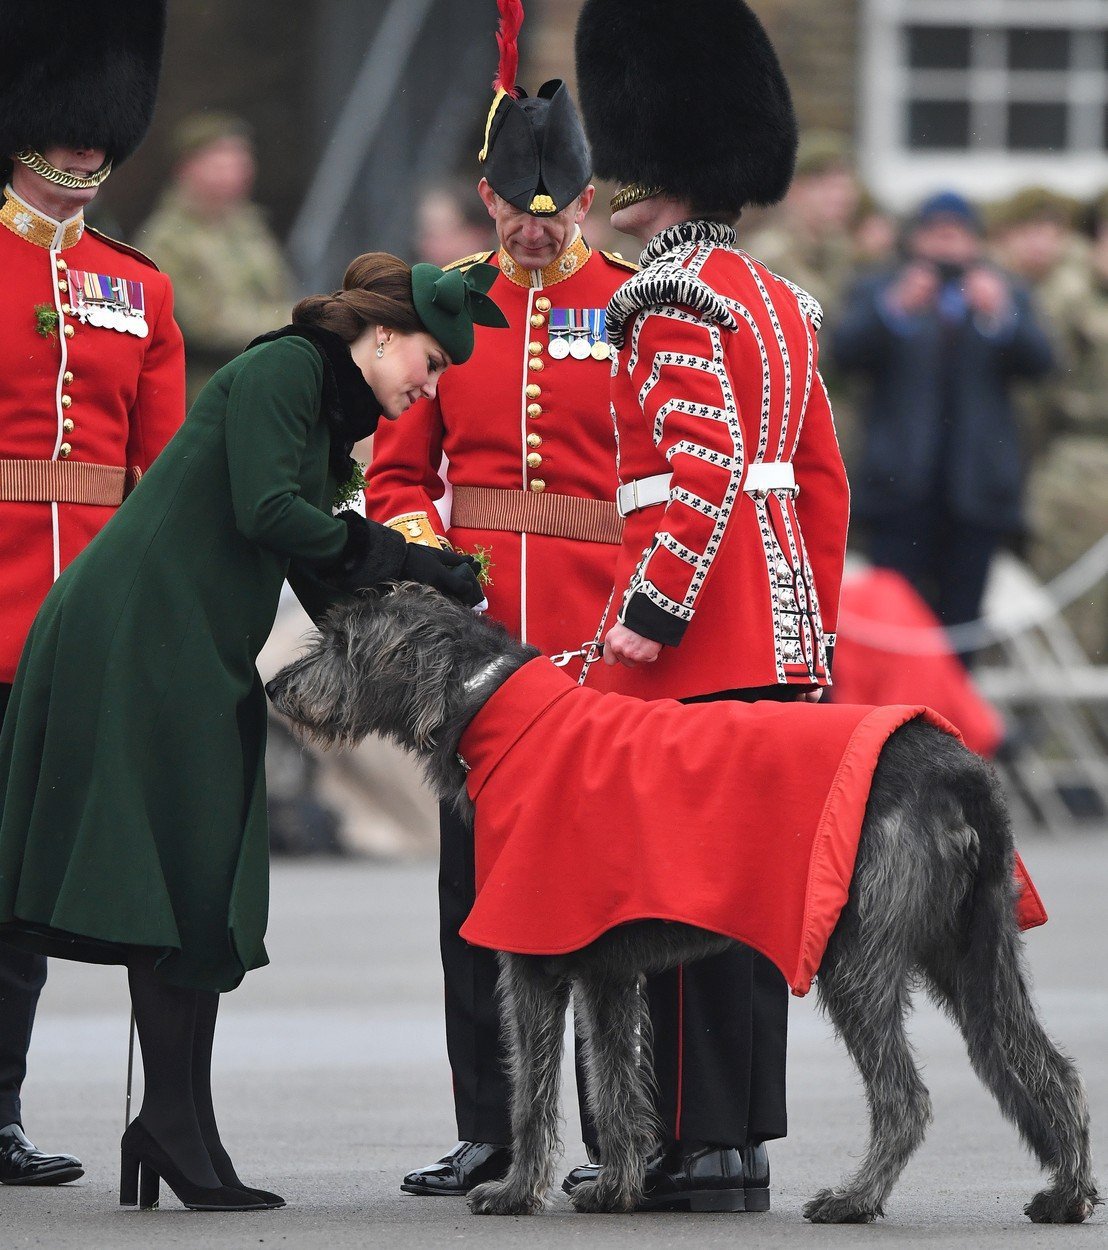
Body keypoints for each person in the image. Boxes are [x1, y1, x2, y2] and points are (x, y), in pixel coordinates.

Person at [0, 252, 501, 1212]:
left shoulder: (328, 408)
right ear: (384, 336)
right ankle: (176, 1129)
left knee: (203, 886)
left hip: (194, 642)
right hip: (140, 634)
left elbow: (321, 560)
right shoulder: (288, 370)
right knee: (185, 877)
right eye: (429, 366)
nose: (427, 387)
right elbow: (269, 510)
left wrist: (427, 602)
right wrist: (402, 556)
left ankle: (175, 1125)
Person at [570, 0, 850, 1211]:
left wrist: (656, 611)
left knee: (665, 895)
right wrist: (809, 632)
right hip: (777, 630)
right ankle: (735, 1141)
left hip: (690, 637)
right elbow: (819, 491)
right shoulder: (782, 299)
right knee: (742, 896)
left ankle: (679, 1138)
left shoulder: (664, 297)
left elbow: (700, 466)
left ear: (659, 173)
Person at [366, 0, 635, 1198]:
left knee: (602, 899)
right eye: (515, 218)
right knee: (472, 895)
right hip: (474, 658)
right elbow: (395, 474)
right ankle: (490, 1126)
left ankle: (606, 1129)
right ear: (488, 202)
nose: (535, 238)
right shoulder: (447, 301)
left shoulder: (627, 304)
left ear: (581, 203)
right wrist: (435, 575)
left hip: (591, 651)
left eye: (557, 217)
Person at [0, 0, 179, 1188]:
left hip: (82, 631)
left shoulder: (140, 288)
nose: (78, 161)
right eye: (61, 138)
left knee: (21, 896)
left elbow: (157, 484)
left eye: (94, 141)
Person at [833, 191, 1054, 657]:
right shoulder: (880, 288)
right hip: (900, 490)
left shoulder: (1005, 291)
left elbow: (1043, 364)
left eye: (958, 235)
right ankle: (899, 727)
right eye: (937, 234)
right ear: (915, 238)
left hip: (975, 494)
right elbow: (841, 356)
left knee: (963, 630)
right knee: (894, 627)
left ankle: (957, 727)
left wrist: (1000, 315)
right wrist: (895, 310)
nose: (947, 247)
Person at [137, 112, 298, 405]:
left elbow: (277, 288)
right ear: (188, 168)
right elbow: (204, 325)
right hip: (206, 393)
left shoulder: (249, 225)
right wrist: (292, 320)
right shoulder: (167, 240)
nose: (237, 169)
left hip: (261, 380)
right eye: (221, 159)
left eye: (241, 158)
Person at [1025, 190, 1108, 661]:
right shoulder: (1067, 295)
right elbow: (1037, 400)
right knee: (1074, 618)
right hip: (1076, 471)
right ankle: (1060, 733)